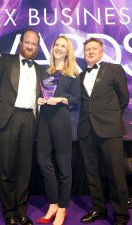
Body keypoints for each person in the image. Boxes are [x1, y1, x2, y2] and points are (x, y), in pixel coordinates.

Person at [0, 28, 42, 225]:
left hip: (29, 120)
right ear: (21, 43)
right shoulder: (6, 60)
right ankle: (9, 213)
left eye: (34, 44)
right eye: (28, 42)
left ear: (37, 48)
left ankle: (22, 212)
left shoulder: (38, 69)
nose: (30, 46)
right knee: (8, 168)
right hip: (8, 119)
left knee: (25, 170)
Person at [77, 38, 130, 225]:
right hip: (86, 131)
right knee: (92, 174)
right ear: (84, 54)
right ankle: (98, 209)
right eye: (87, 49)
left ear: (101, 52)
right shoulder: (81, 75)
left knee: (116, 174)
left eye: (94, 49)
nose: (90, 52)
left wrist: (111, 117)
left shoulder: (114, 69)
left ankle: (121, 215)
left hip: (109, 129)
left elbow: (124, 99)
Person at [36, 35, 80, 225]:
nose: (59, 48)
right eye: (56, 45)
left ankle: (62, 208)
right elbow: (40, 93)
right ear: (52, 47)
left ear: (68, 50)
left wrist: (62, 99)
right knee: (42, 160)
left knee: (64, 166)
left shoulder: (73, 73)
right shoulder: (45, 71)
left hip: (61, 120)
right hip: (44, 120)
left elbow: (77, 99)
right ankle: (53, 203)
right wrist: (39, 100)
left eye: (63, 46)